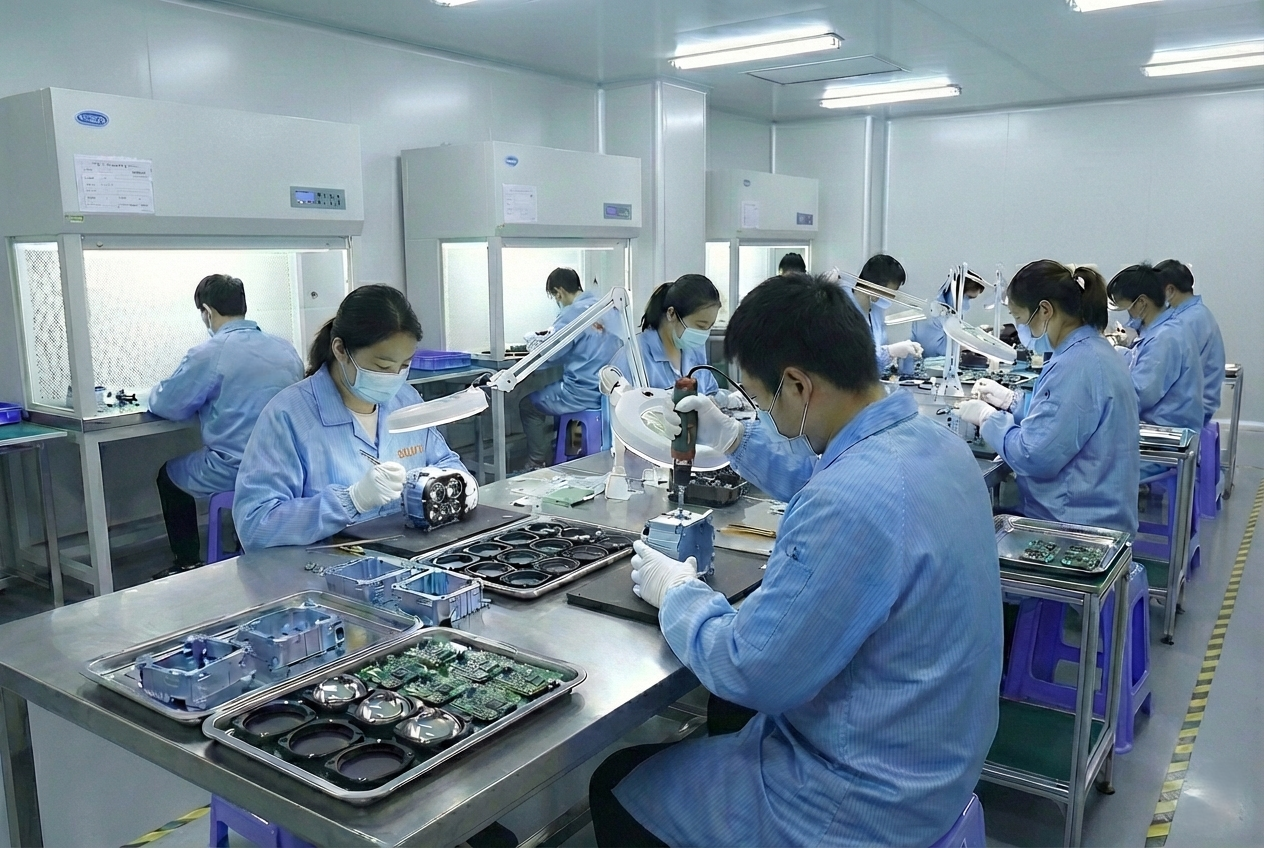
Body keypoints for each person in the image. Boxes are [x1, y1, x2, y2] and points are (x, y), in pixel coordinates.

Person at [589, 273, 1002, 847]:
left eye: (762, 404)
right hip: (937, 765)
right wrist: (734, 438)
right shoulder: (938, 447)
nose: (769, 420)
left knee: (615, 781)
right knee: (729, 721)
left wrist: (679, 594)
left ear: (798, 385)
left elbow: (749, 670)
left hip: (856, 803)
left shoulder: (848, 504)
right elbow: (822, 476)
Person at [233, 285, 473, 550]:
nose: (394, 377)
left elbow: (444, 460)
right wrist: (351, 500)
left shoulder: (405, 399)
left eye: (404, 365)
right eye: (382, 366)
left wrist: (459, 481)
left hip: (407, 556)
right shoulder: (289, 415)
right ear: (340, 350)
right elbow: (255, 526)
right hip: (325, 572)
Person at [959, 261, 1139, 534]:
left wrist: (989, 419)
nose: (1020, 329)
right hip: (1099, 509)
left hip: (1073, 524)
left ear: (1044, 310)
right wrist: (1013, 402)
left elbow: (1033, 455)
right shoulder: (1092, 350)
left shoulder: (1076, 365)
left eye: (1019, 319)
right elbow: (1065, 419)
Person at [147, 274, 303, 578]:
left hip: (234, 467)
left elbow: (168, 405)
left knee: (168, 477)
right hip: (285, 464)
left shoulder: (210, 353)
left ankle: (187, 564)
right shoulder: (284, 348)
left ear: (207, 311)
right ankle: (245, 541)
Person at [518, 268, 622, 468]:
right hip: (609, 393)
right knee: (557, 404)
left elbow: (552, 353)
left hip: (581, 394)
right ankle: (572, 452)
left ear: (559, 292)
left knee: (528, 406)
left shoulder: (571, 314)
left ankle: (536, 462)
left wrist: (532, 340)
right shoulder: (606, 307)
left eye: (555, 297)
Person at [604, 274, 743, 407]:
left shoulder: (695, 350)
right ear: (671, 314)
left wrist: (724, 401)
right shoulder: (633, 357)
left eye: (709, 327)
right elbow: (616, 411)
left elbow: (711, 392)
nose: (703, 334)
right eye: (700, 326)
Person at [1107, 264, 1205, 432]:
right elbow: (1138, 360)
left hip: (1164, 442)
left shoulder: (1166, 338)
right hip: (1157, 429)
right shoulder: (1160, 330)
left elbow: (1138, 396)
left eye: (1127, 309)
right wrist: (1115, 352)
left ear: (1142, 303)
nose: (1128, 316)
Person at [1156, 259, 1225, 427]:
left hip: (1189, 411)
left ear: (1170, 290)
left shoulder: (1190, 320)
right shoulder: (1190, 314)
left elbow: (1164, 371)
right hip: (1189, 403)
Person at [851, 253, 923, 372]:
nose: (893, 296)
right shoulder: (845, 312)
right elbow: (855, 361)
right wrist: (891, 351)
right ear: (874, 287)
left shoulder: (874, 311)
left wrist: (894, 354)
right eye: (892, 291)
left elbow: (876, 352)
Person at [911, 268, 987, 358]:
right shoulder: (936, 312)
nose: (968, 305)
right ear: (955, 293)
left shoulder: (951, 310)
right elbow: (931, 351)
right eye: (968, 298)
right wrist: (969, 345)